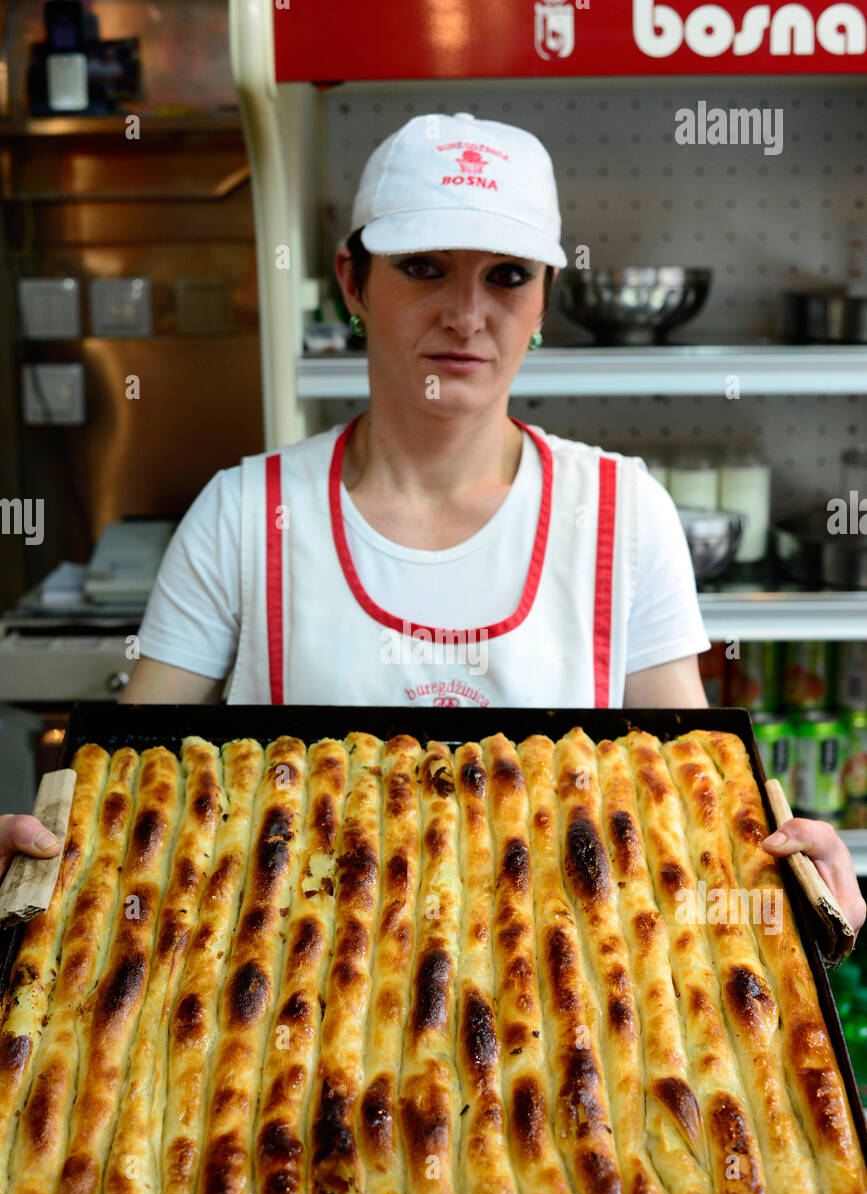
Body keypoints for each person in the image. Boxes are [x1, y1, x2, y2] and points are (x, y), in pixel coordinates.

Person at [2, 112, 863, 933]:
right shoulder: (246, 515)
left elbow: (685, 803)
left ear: (543, 301)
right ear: (351, 281)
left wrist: (778, 885)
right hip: (294, 1022)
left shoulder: (620, 513)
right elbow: (122, 802)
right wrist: (38, 858)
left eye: (506, 275)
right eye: (423, 267)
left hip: (556, 1018)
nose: (465, 313)